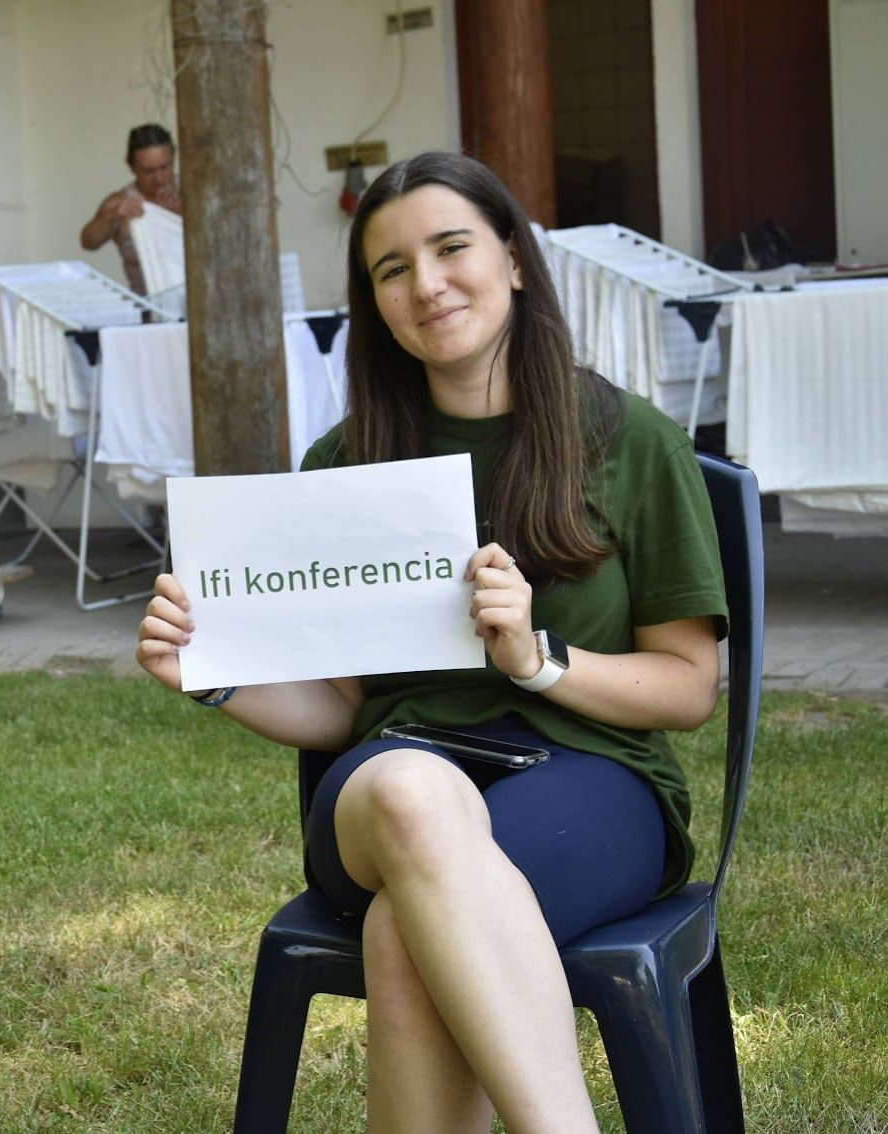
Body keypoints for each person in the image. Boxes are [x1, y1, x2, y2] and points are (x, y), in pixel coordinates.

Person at [135, 152, 727, 1133]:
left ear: (513, 260)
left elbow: (688, 686)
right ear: (373, 302)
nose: (427, 284)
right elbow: (337, 709)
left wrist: (537, 660)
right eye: (392, 269)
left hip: (596, 782)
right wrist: (210, 675)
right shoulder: (343, 465)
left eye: (451, 248)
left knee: (403, 935)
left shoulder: (628, 441)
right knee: (413, 793)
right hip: (385, 786)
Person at [79, 122, 183, 295]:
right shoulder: (122, 201)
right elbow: (88, 242)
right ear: (131, 167)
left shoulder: (193, 193)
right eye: (149, 171)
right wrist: (112, 215)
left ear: (173, 159)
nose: (159, 178)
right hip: (148, 305)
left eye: (165, 167)